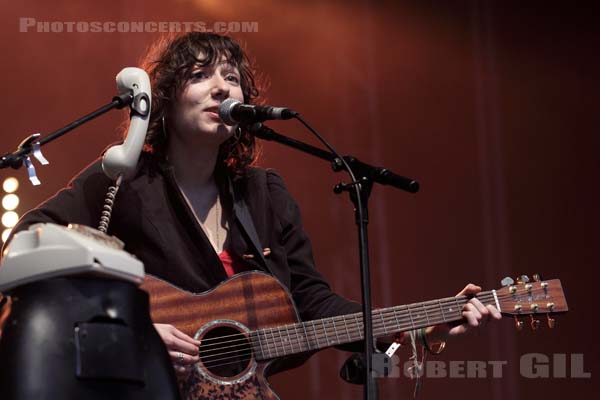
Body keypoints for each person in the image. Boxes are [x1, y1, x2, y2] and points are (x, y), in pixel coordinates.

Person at [5, 32, 500, 384]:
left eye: (232, 78)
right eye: (201, 76)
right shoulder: (126, 179)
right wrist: (131, 327)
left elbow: (313, 305)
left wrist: (420, 323)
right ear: (166, 100)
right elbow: (27, 241)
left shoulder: (264, 194)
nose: (222, 88)